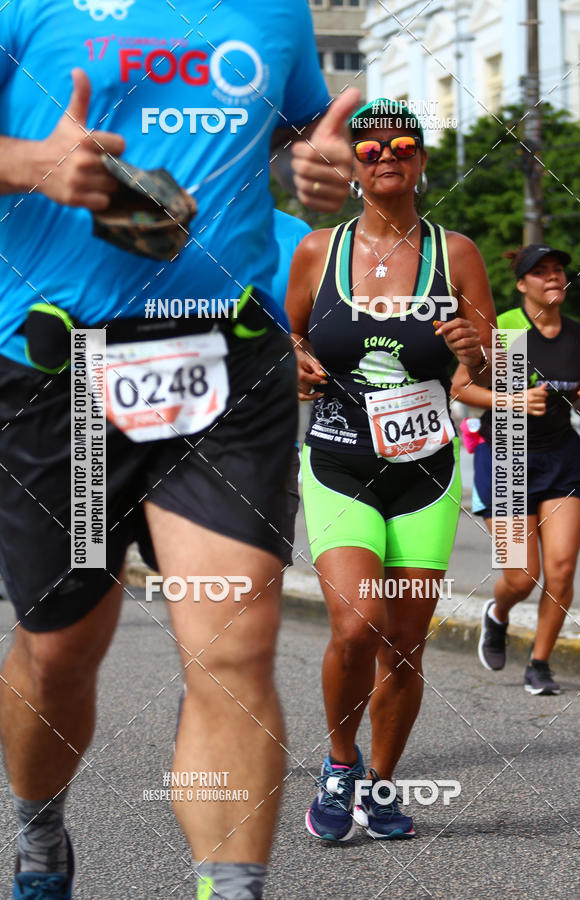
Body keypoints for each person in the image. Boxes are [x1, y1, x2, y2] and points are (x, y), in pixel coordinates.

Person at [0, 3, 359, 897]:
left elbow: (301, 136)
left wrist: (321, 167)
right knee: (60, 651)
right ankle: (41, 833)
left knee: (234, 648)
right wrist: (29, 163)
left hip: (227, 363)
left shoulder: (274, 9)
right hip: (67, 373)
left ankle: (228, 886)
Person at [285, 99, 496, 842]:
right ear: (354, 167)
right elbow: (291, 342)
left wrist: (477, 346)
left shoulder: (457, 253)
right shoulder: (317, 252)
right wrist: (297, 363)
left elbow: (490, 365)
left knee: (405, 646)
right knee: (356, 625)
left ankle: (380, 785)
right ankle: (339, 765)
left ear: (421, 162)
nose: (384, 158)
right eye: (369, 150)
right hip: (341, 464)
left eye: (400, 146)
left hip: (427, 472)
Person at [452, 244, 580, 696]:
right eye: (541, 273)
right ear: (522, 286)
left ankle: (539, 663)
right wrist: (513, 400)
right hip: (510, 455)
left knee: (561, 569)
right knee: (522, 577)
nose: (554, 278)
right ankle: (497, 616)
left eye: (558, 271)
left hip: (561, 458)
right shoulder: (507, 331)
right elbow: (461, 388)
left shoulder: (577, 336)